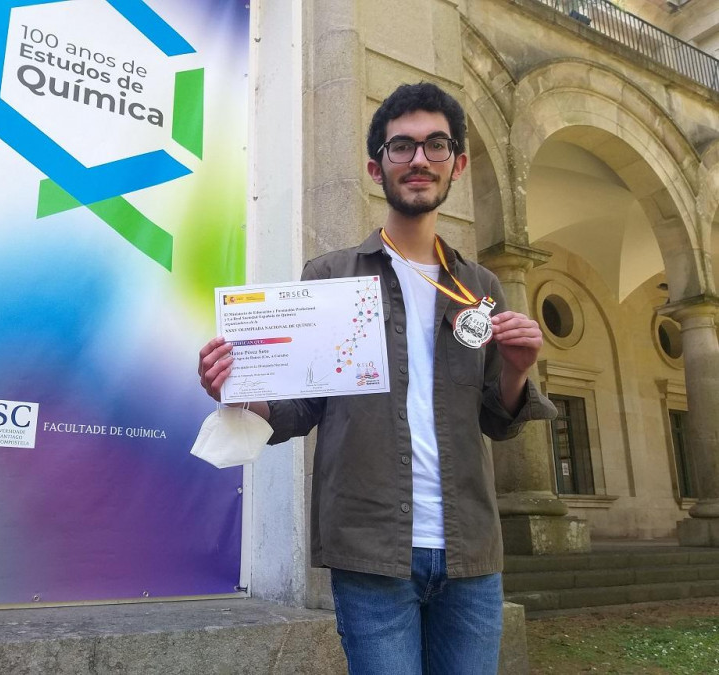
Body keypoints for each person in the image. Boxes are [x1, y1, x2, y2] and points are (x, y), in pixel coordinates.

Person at [198, 82, 557, 674]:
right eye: (402, 147)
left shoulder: (481, 288)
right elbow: (297, 410)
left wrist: (518, 371)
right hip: (371, 549)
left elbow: (499, 419)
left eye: (436, 145)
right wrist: (239, 389)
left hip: (471, 550)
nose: (419, 159)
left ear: (457, 165)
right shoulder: (334, 277)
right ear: (376, 167)